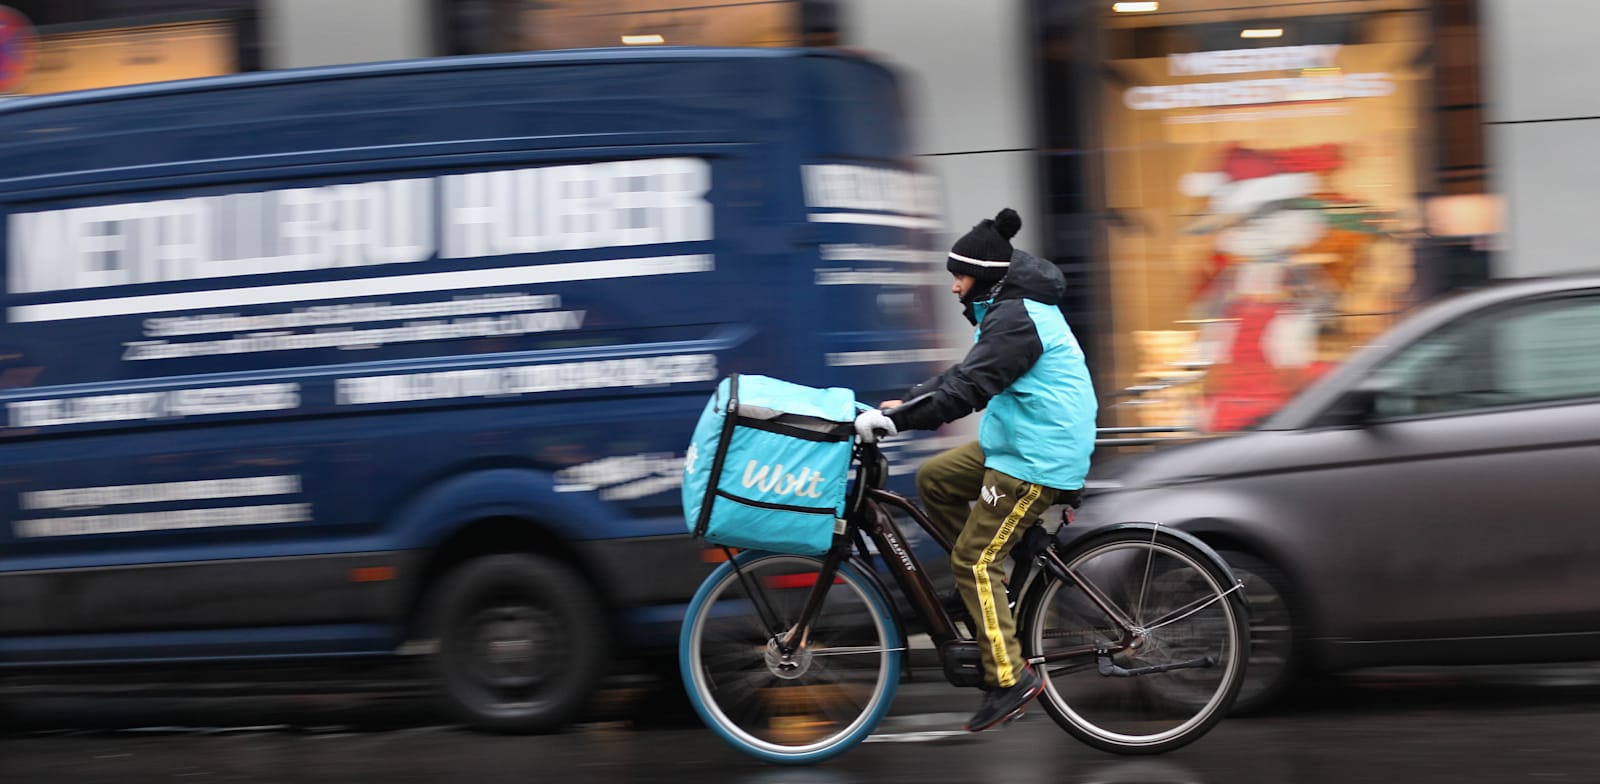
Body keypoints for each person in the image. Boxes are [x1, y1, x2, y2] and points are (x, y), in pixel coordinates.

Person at [853, 207, 1097, 732]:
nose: (954, 288)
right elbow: (964, 374)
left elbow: (967, 392)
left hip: (1038, 458)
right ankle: (993, 593)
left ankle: (1010, 677)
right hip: (1016, 444)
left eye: (957, 277)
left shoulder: (1017, 319)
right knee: (935, 480)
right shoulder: (1006, 311)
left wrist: (899, 425)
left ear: (982, 277)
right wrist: (906, 405)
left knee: (973, 561)